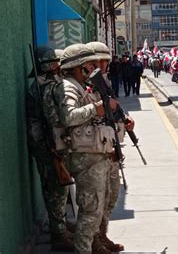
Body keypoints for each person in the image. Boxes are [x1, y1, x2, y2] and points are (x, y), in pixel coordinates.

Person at [58, 43, 118, 253]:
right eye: (89, 64)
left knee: (95, 209)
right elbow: (68, 117)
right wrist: (96, 108)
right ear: (78, 67)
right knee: (89, 212)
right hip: (84, 158)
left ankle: (95, 245)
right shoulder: (68, 87)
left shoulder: (81, 86)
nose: (94, 68)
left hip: (94, 155)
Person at [86, 42, 134, 252]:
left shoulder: (103, 81)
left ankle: (102, 234)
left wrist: (126, 120)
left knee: (112, 194)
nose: (105, 64)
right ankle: (94, 239)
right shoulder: (86, 86)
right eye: (101, 60)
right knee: (95, 199)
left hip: (109, 145)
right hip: (95, 148)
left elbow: (114, 110)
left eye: (106, 60)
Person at [26, 46, 73, 251]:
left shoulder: (44, 83)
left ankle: (60, 225)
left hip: (48, 142)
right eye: (54, 62)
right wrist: (58, 145)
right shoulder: (44, 86)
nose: (57, 65)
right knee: (56, 189)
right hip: (47, 145)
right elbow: (52, 119)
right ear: (47, 65)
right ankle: (58, 234)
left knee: (59, 187)